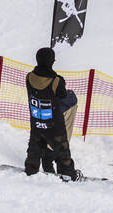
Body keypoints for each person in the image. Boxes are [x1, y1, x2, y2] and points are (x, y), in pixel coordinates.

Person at [24, 47, 78, 178]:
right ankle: (68, 174)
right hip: (54, 125)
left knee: (34, 150)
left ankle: (31, 170)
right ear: (52, 62)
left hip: (37, 122)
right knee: (62, 152)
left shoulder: (29, 77)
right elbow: (62, 94)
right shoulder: (56, 81)